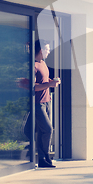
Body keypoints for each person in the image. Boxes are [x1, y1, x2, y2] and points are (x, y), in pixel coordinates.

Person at [25, 39, 61, 168]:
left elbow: (44, 81)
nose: (49, 51)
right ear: (41, 50)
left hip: (47, 101)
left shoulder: (43, 64)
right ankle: (44, 157)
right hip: (37, 103)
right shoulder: (33, 65)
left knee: (42, 131)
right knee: (48, 129)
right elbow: (33, 86)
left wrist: (52, 81)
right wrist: (50, 84)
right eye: (47, 49)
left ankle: (42, 160)